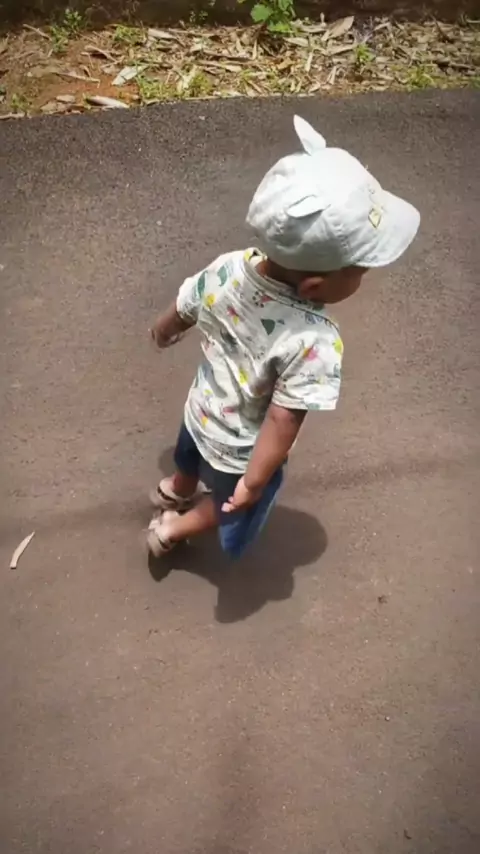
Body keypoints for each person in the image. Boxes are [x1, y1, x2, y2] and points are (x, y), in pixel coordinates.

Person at [147, 115, 420, 559]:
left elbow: (184, 308)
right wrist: (254, 482)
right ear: (314, 286)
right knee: (232, 507)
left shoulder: (230, 266)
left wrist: (163, 332)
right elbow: (281, 420)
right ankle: (172, 529)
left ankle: (176, 488)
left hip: (199, 411)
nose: (363, 280)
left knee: (189, 454)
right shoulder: (314, 340)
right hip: (241, 450)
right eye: (361, 272)